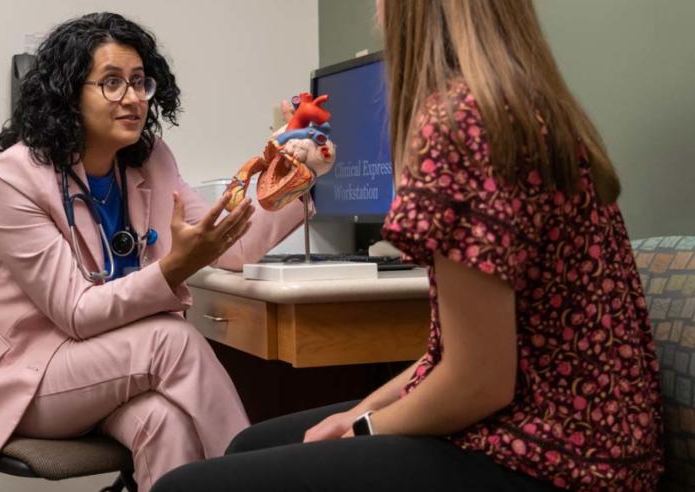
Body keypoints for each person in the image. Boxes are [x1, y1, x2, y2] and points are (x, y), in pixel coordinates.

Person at [151, 0, 663, 490]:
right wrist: (361, 412)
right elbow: (456, 356)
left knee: (184, 486)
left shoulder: (461, 122)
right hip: (594, 442)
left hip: (549, 459)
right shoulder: (525, 107)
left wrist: (362, 430)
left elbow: (478, 381)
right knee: (249, 445)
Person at [0, 12, 310, 491]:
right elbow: (76, 313)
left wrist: (298, 178)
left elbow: (231, 247)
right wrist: (175, 266)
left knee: (166, 422)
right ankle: (260, 482)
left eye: (139, 82)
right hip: (23, 379)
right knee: (172, 340)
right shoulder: (13, 177)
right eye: (111, 83)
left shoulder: (151, 160)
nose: (132, 98)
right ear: (69, 93)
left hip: (115, 366)